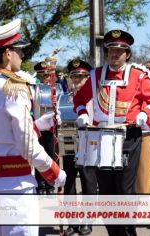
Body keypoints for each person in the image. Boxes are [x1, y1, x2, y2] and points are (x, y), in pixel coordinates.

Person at [0, 18, 66, 236]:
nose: (22, 56)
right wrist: (54, 172)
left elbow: (0, 129)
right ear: (7, 54)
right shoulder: (13, 87)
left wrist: (38, 124)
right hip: (16, 186)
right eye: (19, 51)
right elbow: (27, 146)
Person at [73, 29, 150, 236]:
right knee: (106, 191)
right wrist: (82, 114)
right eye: (111, 51)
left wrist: (145, 113)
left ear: (128, 54)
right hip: (100, 137)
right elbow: (79, 100)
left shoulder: (138, 76)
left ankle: (128, 230)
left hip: (128, 137)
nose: (114, 55)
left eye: (119, 51)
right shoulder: (95, 75)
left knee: (124, 190)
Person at [63, 59, 97, 236]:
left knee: (88, 182)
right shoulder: (63, 97)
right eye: (74, 77)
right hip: (68, 142)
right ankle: (72, 221)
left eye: (81, 77)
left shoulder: (94, 98)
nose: (77, 80)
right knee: (68, 183)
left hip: (89, 142)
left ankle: (87, 220)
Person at [33, 61, 58, 195]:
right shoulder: (32, 88)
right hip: (37, 127)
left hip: (51, 129)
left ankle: (50, 184)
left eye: (47, 75)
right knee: (38, 157)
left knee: (51, 157)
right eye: (42, 75)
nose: (45, 78)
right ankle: (40, 184)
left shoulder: (55, 88)